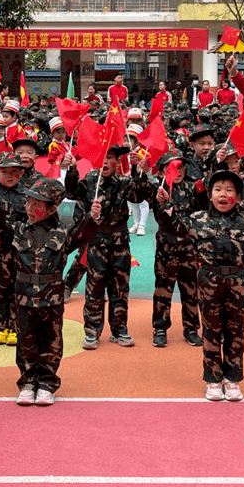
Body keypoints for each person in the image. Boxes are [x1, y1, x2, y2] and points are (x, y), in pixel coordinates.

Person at [155, 170, 244, 401]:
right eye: (217, 190)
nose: (223, 195)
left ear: (238, 194)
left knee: (235, 331)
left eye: (229, 190)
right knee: (211, 330)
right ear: (209, 194)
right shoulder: (197, 219)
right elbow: (172, 226)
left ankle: (232, 379)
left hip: (237, 281)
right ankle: (213, 379)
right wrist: (166, 203)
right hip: (209, 280)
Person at [0, 177, 101, 406]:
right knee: (25, 341)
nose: (30, 208)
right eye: (28, 202)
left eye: (37, 204)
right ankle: (27, 382)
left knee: (51, 342)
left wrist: (92, 218)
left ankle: (47, 383)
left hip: (51, 298)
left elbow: (83, 235)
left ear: (52, 208)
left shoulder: (63, 232)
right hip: (24, 297)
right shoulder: (18, 229)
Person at [73, 146, 151, 349]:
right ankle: (92, 333)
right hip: (97, 242)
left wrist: (139, 171)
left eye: (110, 158)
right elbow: (73, 192)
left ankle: (119, 331)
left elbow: (138, 197)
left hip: (120, 244)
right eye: (101, 157)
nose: (105, 163)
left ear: (117, 162)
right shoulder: (90, 180)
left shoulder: (124, 182)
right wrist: (72, 170)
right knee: (94, 289)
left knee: (120, 289)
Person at [147, 152, 202, 348]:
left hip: (188, 247)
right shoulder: (158, 189)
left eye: (181, 167)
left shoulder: (193, 188)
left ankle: (191, 328)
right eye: (171, 168)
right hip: (167, 248)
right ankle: (160, 328)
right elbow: (164, 221)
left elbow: (200, 213)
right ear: (161, 171)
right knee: (163, 289)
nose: (177, 172)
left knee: (191, 289)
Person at [0, 152, 27, 346]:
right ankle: (2, 327)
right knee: (0, 287)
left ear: (21, 173)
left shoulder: (28, 195)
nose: (9, 175)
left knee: (19, 287)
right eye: (4, 171)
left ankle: (17, 326)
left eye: (14, 171)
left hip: (20, 249)